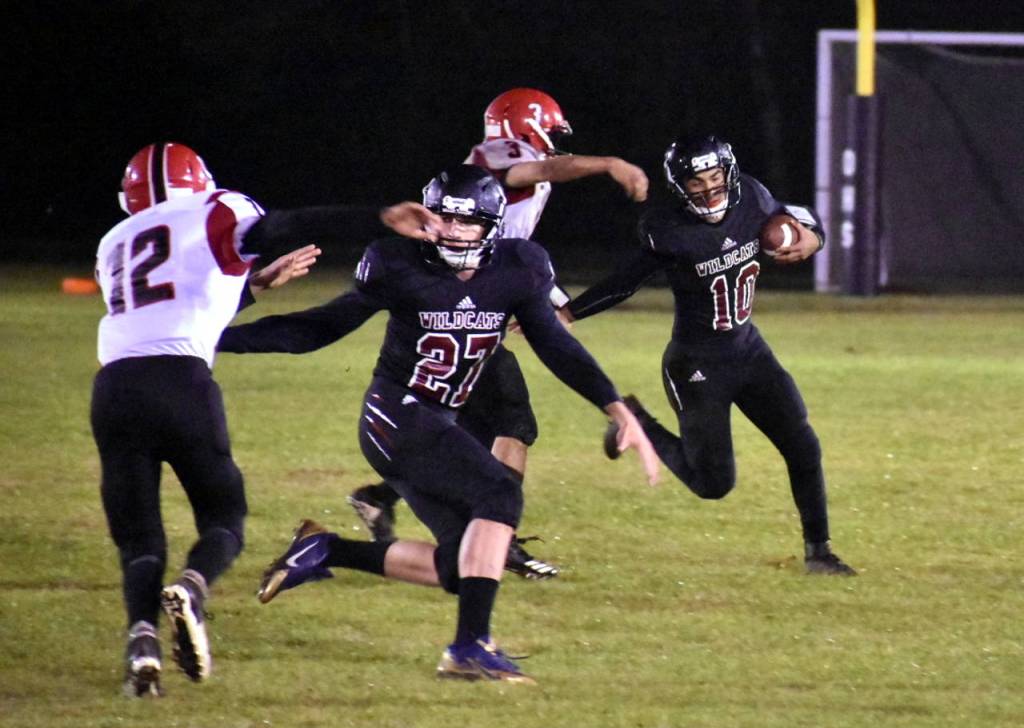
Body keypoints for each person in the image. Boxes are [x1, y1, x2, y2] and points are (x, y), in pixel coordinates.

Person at [217, 165, 659, 683]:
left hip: (438, 418)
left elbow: (555, 344)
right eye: (444, 219)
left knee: (460, 567)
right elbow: (318, 328)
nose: (453, 231)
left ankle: (325, 549)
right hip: (395, 415)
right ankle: (469, 648)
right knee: (500, 493)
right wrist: (213, 339)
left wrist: (615, 408)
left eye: (467, 222)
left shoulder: (518, 267)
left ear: (492, 226)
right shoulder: (396, 262)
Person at [92, 141, 440, 697]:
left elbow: (170, 304)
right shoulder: (215, 209)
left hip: (113, 389)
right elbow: (284, 225)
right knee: (224, 517)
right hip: (181, 381)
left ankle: (142, 642)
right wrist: (376, 216)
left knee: (139, 535)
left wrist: (251, 285)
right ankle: (193, 588)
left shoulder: (115, 241)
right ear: (198, 182)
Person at [348, 88, 650, 579]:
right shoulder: (501, 156)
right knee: (513, 422)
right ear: (523, 126)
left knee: (472, 428)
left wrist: (551, 305)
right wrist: (609, 164)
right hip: (462, 312)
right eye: (549, 131)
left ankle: (383, 497)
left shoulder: (498, 188)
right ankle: (497, 537)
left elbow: (511, 247)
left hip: (473, 305)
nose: (553, 143)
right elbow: (537, 170)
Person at [563, 135, 856, 576]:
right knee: (713, 484)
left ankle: (819, 553)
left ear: (729, 173)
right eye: (696, 182)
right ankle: (637, 420)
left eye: (715, 176)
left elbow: (799, 216)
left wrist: (815, 238)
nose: (708, 188)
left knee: (802, 444)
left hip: (748, 350)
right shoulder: (668, 228)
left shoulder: (751, 196)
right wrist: (569, 312)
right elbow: (625, 281)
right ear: (679, 186)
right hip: (696, 364)